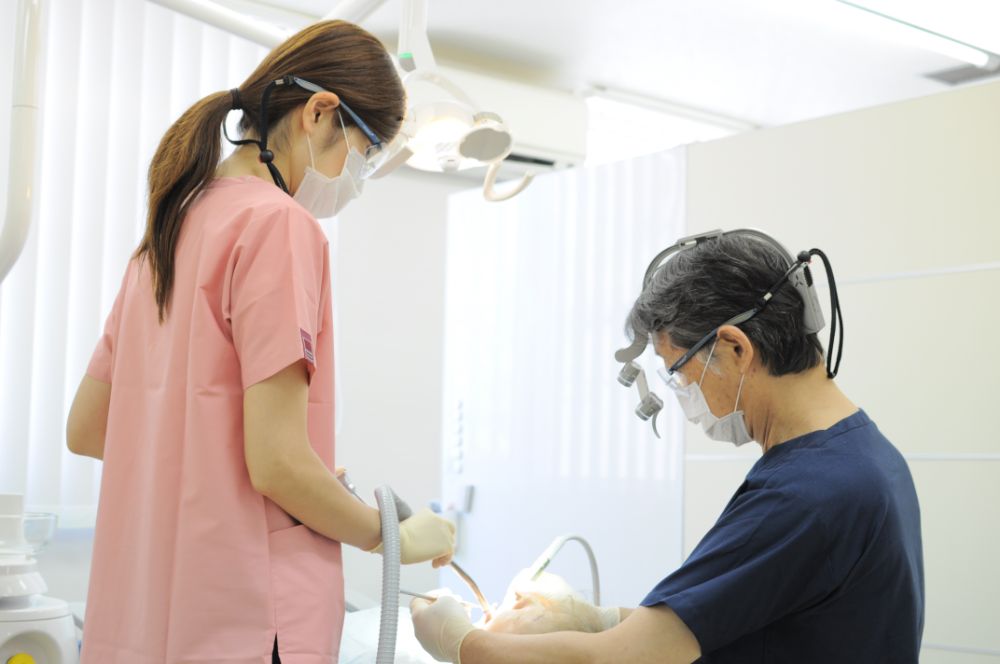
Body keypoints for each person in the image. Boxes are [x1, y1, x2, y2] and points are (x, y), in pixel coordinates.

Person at [65, 20, 455, 664]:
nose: (357, 178)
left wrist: (224, 471)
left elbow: (88, 429)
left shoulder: (164, 233)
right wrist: (391, 537)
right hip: (246, 620)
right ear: (319, 113)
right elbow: (276, 465)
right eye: (364, 153)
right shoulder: (278, 225)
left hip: (143, 621)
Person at [410, 231, 924, 663]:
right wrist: (597, 620)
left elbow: (624, 660)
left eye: (677, 370)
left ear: (735, 348)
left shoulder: (805, 495)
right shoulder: (865, 457)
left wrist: (463, 642)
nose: (680, 392)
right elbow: (725, 620)